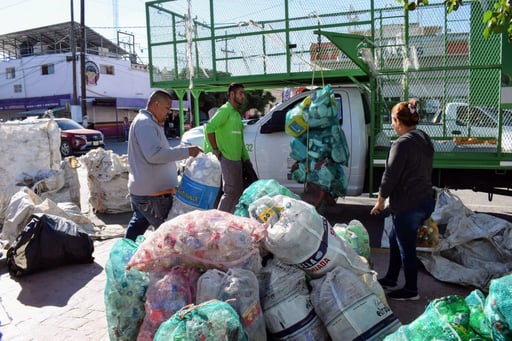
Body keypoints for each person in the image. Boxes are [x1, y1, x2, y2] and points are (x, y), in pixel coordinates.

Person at [370, 99, 435, 301]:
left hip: (408, 204)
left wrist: (380, 201)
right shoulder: (423, 138)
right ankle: (390, 278)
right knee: (394, 238)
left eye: (392, 120)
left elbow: (390, 177)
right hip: (425, 200)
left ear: (398, 120)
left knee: (406, 247)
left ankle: (411, 290)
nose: (391, 124)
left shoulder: (402, 144)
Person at [125, 89, 202, 241]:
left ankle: (125, 253)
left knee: (138, 225)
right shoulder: (145, 123)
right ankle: (168, 261)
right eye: (167, 108)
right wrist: (186, 152)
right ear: (156, 104)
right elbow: (154, 155)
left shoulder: (150, 123)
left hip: (147, 191)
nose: (168, 112)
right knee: (168, 233)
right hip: (152, 195)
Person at [204, 83, 252, 213]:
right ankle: (219, 221)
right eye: (240, 93)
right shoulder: (225, 110)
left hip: (237, 160)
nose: (243, 96)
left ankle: (230, 221)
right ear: (232, 94)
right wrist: (215, 149)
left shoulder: (236, 114)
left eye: (243, 93)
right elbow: (209, 128)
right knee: (230, 193)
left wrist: (246, 160)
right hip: (227, 158)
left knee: (237, 193)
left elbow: (240, 140)